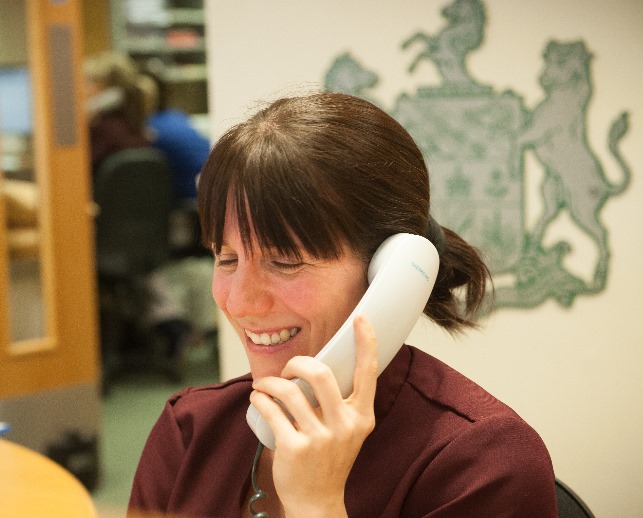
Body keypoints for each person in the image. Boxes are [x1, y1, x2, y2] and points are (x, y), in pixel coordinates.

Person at [128, 92, 557, 517]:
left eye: (285, 262)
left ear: (390, 274)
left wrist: (318, 507)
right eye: (226, 258)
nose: (240, 302)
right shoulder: (190, 431)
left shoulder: (486, 465)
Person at [84, 52, 152, 174]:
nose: (82, 88)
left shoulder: (102, 130)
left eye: (88, 82)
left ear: (106, 89)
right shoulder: (137, 129)